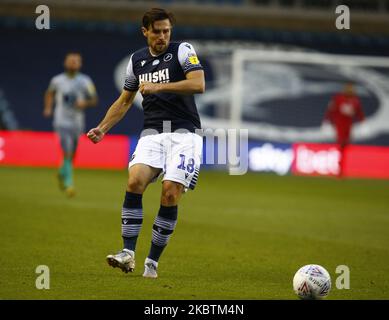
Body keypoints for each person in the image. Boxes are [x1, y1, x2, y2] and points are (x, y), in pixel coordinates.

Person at [87, 8, 205, 278]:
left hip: (185, 134)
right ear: (145, 32)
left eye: (167, 31)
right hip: (152, 133)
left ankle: (152, 262)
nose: (163, 36)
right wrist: (103, 128)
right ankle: (127, 253)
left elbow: (198, 84)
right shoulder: (137, 61)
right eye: (157, 31)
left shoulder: (183, 51)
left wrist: (159, 87)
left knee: (170, 193)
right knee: (134, 182)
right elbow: (125, 100)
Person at [44, 52, 98, 197]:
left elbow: (94, 99)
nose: (74, 63)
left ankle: (62, 172)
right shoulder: (57, 80)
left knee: (72, 152)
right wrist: (48, 107)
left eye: (76, 61)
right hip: (61, 120)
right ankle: (69, 184)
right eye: (71, 61)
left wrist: (84, 103)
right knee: (66, 151)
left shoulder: (85, 81)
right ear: (65, 63)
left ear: (80, 64)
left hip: (77, 121)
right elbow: (49, 93)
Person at [323, 82, 365, 176]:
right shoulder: (338, 99)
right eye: (348, 88)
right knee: (341, 144)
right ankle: (339, 167)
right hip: (339, 125)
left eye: (351, 89)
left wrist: (363, 123)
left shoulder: (355, 101)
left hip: (348, 126)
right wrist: (327, 121)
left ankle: (341, 166)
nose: (350, 91)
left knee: (345, 146)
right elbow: (331, 110)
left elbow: (359, 113)